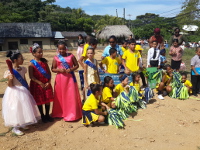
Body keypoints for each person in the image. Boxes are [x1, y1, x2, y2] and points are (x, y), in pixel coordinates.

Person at [2, 51, 40, 136]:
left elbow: (24, 79)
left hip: (23, 90)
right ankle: (15, 127)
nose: (23, 59)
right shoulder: (10, 71)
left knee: (24, 107)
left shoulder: (23, 69)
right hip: (14, 91)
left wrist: (27, 88)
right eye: (21, 58)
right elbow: (10, 85)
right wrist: (10, 79)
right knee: (15, 108)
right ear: (15, 60)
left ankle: (22, 123)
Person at [51, 40, 82, 121]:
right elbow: (52, 69)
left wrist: (71, 69)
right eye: (60, 49)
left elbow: (77, 65)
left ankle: (71, 114)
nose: (61, 51)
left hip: (70, 79)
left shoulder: (71, 56)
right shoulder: (56, 58)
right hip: (60, 79)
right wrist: (59, 70)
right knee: (60, 96)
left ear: (66, 48)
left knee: (70, 96)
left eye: (63, 49)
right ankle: (60, 113)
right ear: (57, 49)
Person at [29, 43, 54, 123]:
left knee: (47, 100)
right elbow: (31, 77)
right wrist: (40, 83)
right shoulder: (31, 64)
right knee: (40, 100)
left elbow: (49, 73)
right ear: (34, 53)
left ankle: (47, 115)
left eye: (41, 52)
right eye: (39, 52)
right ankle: (42, 115)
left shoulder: (44, 62)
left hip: (46, 84)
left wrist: (48, 82)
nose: (41, 54)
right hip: (37, 85)